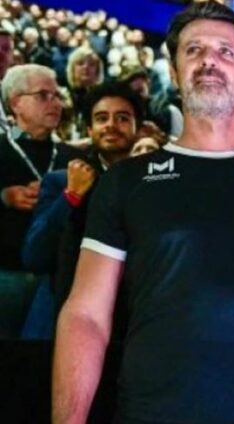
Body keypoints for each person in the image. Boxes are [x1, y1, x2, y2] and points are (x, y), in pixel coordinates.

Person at [52, 3, 234, 424]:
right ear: (174, 73)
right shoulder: (125, 183)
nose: (209, 60)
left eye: (225, 51)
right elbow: (86, 315)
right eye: (193, 50)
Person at [22, 81, 143, 327]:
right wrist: (71, 196)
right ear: (89, 129)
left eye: (122, 118)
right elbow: (35, 256)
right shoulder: (61, 181)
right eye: (101, 118)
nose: (111, 125)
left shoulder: (153, 185)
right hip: (63, 318)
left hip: (134, 322)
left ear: (138, 129)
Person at [0, 64, 78, 338]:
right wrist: (3, 197)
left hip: (57, 280)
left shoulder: (73, 157)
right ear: (16, 103)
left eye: (57, 96)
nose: (55, 103)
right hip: (6, 273)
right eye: (43, 95)